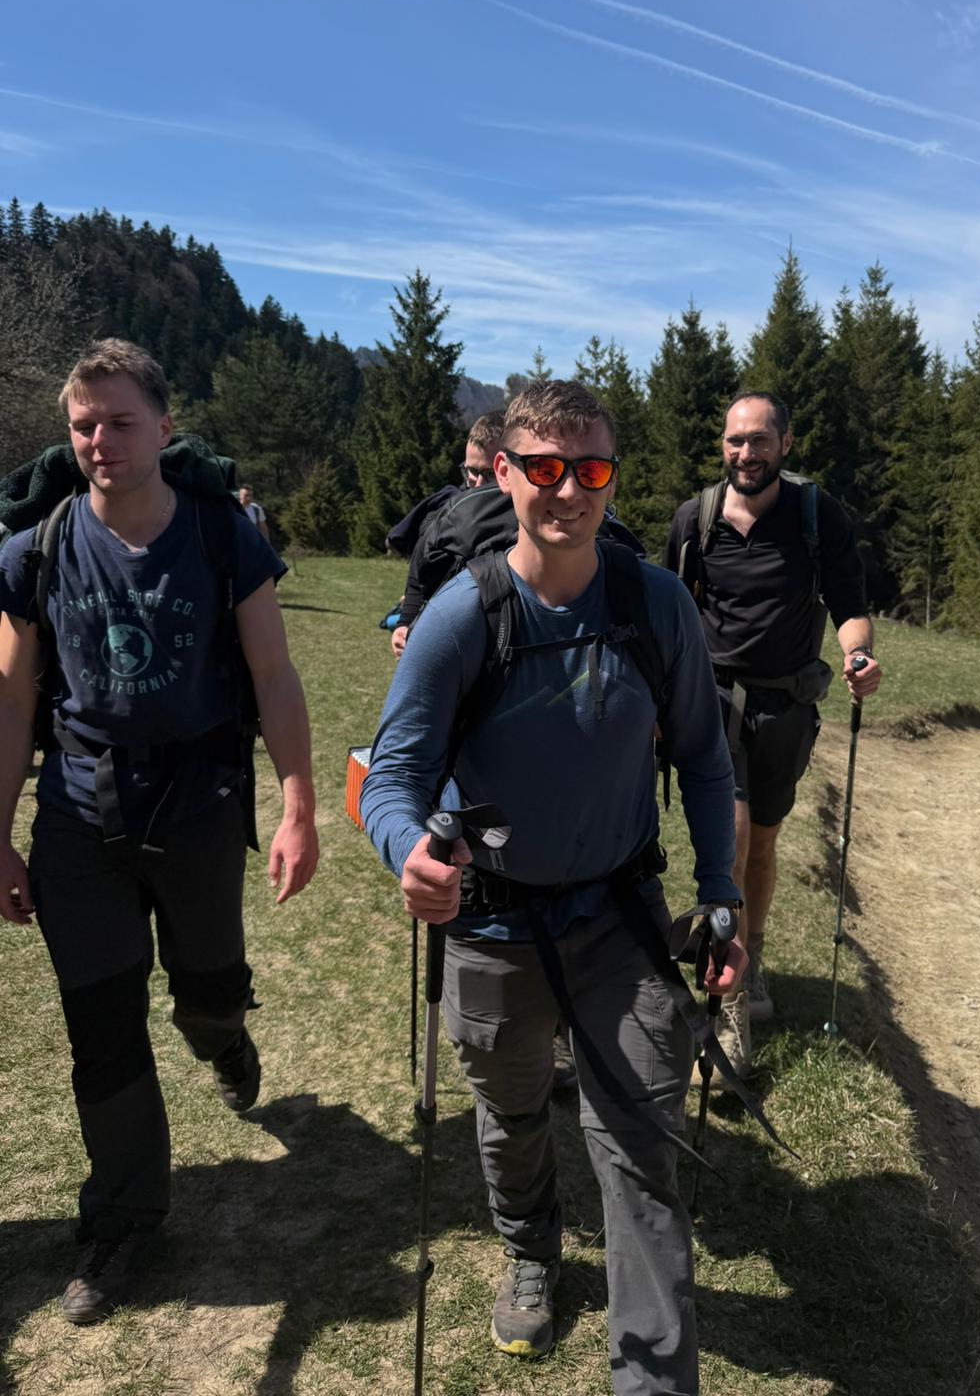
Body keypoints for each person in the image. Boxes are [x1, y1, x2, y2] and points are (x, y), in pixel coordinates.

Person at [361, 380, 743, 1393]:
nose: (568, 490)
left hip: (621, 921)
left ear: (613, 477)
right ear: (504, 472)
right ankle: (531, 1246)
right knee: (513, 1108)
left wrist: (721, 895)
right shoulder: (462, 615)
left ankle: (651, 1380)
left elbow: (706, 762)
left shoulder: (654, 604)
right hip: (490, 922)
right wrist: (406, 851)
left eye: (591, 469)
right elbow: (392, 776)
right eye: (543, 467)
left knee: (640, 1152)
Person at [0, 339, 319, 1324]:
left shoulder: (222, 536)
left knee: (207, 993)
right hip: (77, 813)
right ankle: (125, 1218)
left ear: (164, 426)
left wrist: (298, 805)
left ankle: (223, 1038)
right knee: (102, 1024)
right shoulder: (36, 547)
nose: (100, 440)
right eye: (83, 424)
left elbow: (272, 674)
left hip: (198, 806)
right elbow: (12, 697)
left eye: (120, 421)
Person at [663, 391, 881, 1078]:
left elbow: (849, 606)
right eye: (735, 440)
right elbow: (670, 609)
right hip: (712, 704)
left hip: (785, 708)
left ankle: (749, 954)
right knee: (729, 842)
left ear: (785, 444)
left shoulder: (818, 516)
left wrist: (857, 656)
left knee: (761, 844)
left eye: (759, 440)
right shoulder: (696, 520)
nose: (746, 453)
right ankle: (727, 1012)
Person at [387, 408, 505, 660]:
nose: (477, 483)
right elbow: (420, 568)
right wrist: (405, 623)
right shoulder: (450, 508)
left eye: (489, 474)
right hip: (440, 641)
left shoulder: (529, 516)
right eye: (471, 471)